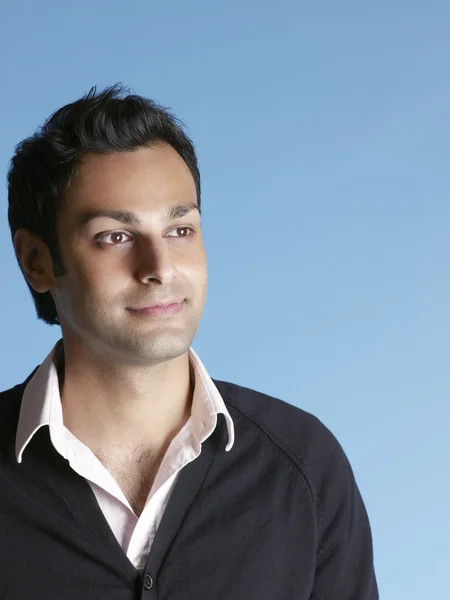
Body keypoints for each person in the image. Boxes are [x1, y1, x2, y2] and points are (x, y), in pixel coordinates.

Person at [1, 84, 378, 599]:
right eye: (115, 236)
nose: (160, 269)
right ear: (36, 261)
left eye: (181, 230)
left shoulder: (304, 469)